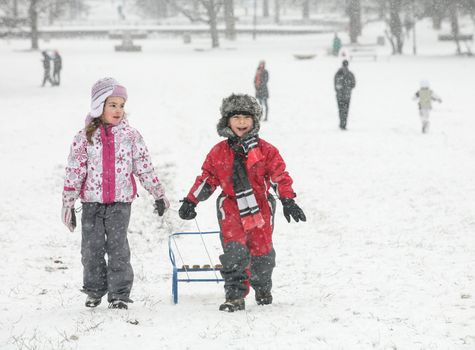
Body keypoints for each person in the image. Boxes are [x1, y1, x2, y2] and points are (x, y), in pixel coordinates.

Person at [178, 94, 306, 312]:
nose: (241, 122)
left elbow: (278, 176)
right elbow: (208, 178)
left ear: (254, 120)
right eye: (236, 117)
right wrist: (191, 201)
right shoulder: (219, 152)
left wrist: (287, 199)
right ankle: (235, 295)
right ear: (227, 121)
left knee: (262, 253)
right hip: (230, 207)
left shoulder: (266, 150)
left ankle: (262, 285)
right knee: (235, 252)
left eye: (246, 117)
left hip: (261, 208)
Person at [61, 77, 169, 310]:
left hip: (120, 204)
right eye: (112, 105)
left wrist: (158, 193)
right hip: (92, 204)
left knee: (118, 249)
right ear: (98, 106)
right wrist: (68, 204)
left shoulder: (131, 136)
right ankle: (94, 290)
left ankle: (119, 294)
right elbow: (74, 171)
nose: (118, 110)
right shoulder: (84, 138)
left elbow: (144, 165)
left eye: (121, 105)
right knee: (91, 250)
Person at [334, 59, 356, 130]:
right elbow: (353, 84)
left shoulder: (338, 73)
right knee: (345, 110)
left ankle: (342, 124)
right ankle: (343, 124)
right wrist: (348, 88)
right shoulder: (350, 74)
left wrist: (339, 90)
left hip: (340, 96)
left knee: (341, 110)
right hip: (346, 95)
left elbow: (335, 85)